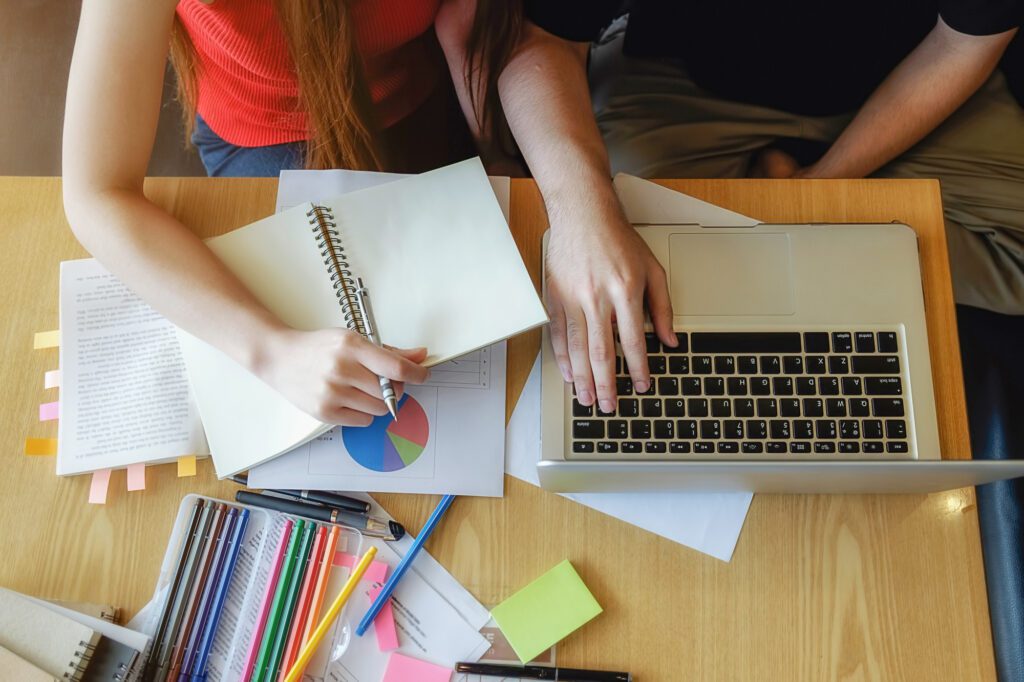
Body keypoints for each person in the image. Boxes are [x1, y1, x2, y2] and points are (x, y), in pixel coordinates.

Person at [487, 1, 1022, 417]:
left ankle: (780, 180)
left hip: (910, 77)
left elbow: (961, 44)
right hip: (691, 86)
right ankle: (781, 190)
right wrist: (582, 214)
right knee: (629, 254)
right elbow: (543, 39)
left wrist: (819, 187)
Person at [62, 0, 494, 427]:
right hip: (265, 125)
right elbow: (97, 195)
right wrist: (273, 351)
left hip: (424, 81)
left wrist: (497, 146)